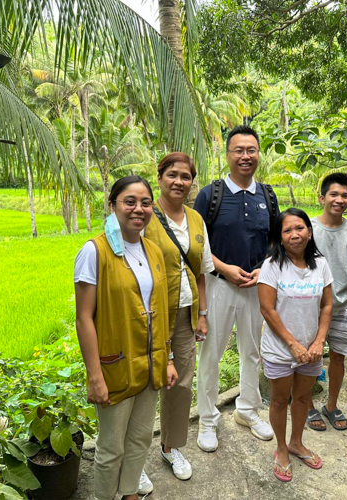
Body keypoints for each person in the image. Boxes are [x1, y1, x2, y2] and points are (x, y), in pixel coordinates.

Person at [74, 176, 177, 500]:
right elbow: (84, 318)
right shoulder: (95, 251)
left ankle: (130, 491)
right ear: (113, 205)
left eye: (145, 202)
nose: (139, 209)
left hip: (150, 365)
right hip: (114, 366)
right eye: (129, 201)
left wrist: (168, 359)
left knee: (140, 439)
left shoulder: (154, 251)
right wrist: (95, 376)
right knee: (110, 447)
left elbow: (160, 311)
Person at [193, 125, 279, 451]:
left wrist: (263, 269)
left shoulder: (267, 196)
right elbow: (197, 243)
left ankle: (248, 411)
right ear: (227, 155)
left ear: (258, 154)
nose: (245, 156)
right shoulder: (210, 195)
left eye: (251, 150)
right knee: (211, 354)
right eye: (238, 150)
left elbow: (276, 242)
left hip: (256, 288)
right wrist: (224, 268)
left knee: (252, 352)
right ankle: (207, 420)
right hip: (219, 286)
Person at [139, 153, 214, 490]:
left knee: (181, 385)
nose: (179, 181)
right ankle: (134, 460)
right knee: (144, 386)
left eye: (185, 176)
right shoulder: (144, 216)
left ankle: (171, 447)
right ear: (160, 178)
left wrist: (201, 314)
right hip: (148, 316)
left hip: (185, 315)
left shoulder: (196, 219)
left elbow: (200, 270)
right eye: (172, 174)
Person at [258, 208, 334, 481]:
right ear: (279, 237)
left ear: (309, 232)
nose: (294, 235)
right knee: (280, 400)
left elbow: (327, 305)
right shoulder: (272, 266)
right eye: (287, 230)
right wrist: (292, 344)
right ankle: (281, 448)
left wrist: (318, 342)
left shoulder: (320, 264)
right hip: (281, 349)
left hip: (311, 349)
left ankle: (296, 442)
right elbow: (267, 310)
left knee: (303, 397)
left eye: (299, 228)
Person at [306, 173, 347, 431]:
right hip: (311, 307)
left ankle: (331, 405)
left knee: (339, 359)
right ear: (322, 197)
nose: (339, 200)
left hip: (344, 306)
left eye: (344, 195)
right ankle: (307, 405)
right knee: (308, 359)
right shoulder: (307, 229)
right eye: (334, 194)